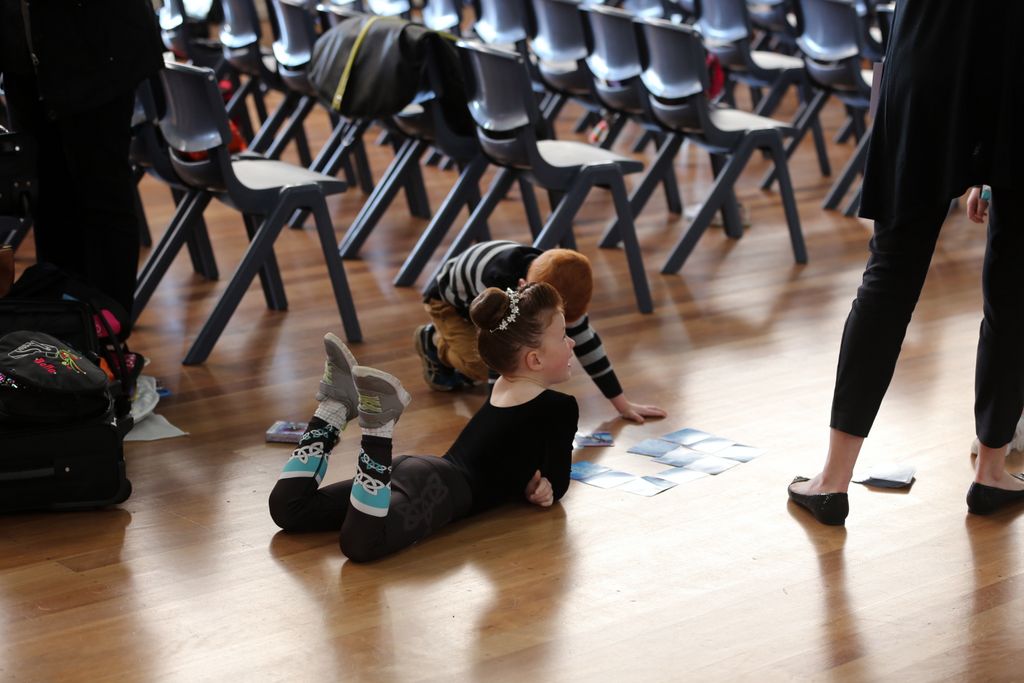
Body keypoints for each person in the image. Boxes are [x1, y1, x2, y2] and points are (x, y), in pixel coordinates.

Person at [788, 2, 1024, 524]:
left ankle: (833, 481)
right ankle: (991, 472)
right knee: (1013, 290)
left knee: (890, 277)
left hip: (930, 68)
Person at [269, 283, 579, 561]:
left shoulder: (502, 382)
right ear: (534, 359)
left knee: (291, 510)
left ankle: (333, 409)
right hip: (442, 493)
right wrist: (545, 490)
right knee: (361, 544)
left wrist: (524, 305)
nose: (572, 343)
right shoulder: (560, 407)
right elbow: (558, 482)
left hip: (416, 469)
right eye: (564, 336)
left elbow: (511, 445)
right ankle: (378, 431)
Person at [0, 1, 164, 319]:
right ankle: (66, 325)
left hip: (96, 52)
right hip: (24, 58)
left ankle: (107, 327)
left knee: (102, 194)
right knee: (48, 198)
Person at [416, 240, 666, 423]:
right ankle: (433, 342)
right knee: (484, 363)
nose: (569, 338)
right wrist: (497, 418)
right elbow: (498, 352)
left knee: (520, 356)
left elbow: (587, 343)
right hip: (448, 302)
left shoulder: (553, 284)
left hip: (489, 305)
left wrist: (621, 404)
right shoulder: (500, 283)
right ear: (524, 286)